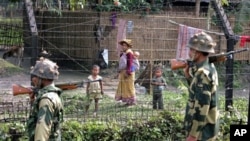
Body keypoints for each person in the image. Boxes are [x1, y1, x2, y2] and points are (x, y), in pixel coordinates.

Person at [183, 32, 219, 141]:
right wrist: (188, 76)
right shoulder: (209, 67)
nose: (189, 53)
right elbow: (197, 92)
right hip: (206, 128)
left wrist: (193, 135)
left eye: (191, 50)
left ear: (197, 53)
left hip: (202, 133)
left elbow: (202, 107)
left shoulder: (203, 74)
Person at [27, 57, 63, 141]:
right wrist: (33, 101)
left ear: (43, 78)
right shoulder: (53, 94)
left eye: (35, 76)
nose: (33, 79)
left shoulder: (46, 100)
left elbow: (42, 132)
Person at [115, 39, 136, 106]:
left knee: (129, 87)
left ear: (128, 46)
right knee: (124, 87)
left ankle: (132, 101)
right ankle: (127, 101)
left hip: (128, 73)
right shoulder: (124, 53)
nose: (123, 47)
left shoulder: (129, 53)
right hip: (123, 72)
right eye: (122, 45)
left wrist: (128, 72)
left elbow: (130, 63)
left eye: (125, 45)